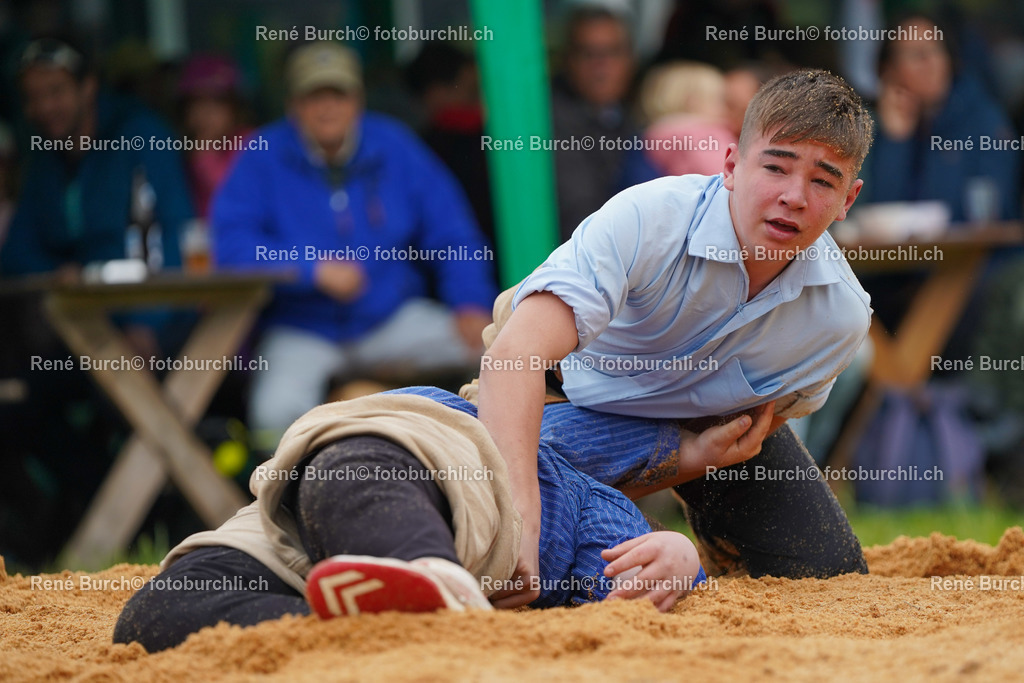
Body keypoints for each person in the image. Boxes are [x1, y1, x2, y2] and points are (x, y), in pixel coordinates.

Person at [476, 69, 875, 606]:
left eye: (823, 182)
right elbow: (515, 357)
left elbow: (747, 440)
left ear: (849, 199)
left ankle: (698, 549)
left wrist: (693, 459)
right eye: (775, 167)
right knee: (519, 516)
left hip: (706, 434)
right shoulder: (649, 218)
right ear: (731, 165)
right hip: (560, 392)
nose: (794, 197)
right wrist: (521, 520)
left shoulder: (839, 318)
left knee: (827, 577)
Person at [113, 386, 707, 653]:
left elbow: (628, 582)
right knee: (156, 612)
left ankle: (406, 604)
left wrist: (682, 560)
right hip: (315, 491)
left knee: (350, 473)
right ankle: (403, 604)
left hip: (388, 489)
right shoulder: (478, 406)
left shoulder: (592, 500)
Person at [211, 42, 497, 451]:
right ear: (293, 105)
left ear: (358, 100)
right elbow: (230, 245)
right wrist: (311, 269)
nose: (328, 107)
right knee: (274, 415)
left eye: (338, 95)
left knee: (496, 352)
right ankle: (295, 493)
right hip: (302, 328)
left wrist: (469, 301)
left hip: (389, 318)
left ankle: (480, 474)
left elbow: (452, 233)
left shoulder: (394, 146)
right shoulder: (262, 155)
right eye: (314, 96)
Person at [858, 13, 1020, 222]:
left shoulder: (983, 120)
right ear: (889, 70)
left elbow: (991, 212)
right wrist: (895, 140)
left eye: (936, 50)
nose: (930, 62)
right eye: (916, 54)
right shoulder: (870, 127)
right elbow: (878, 213)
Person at [551, 6, 640, 240]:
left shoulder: (635, 114)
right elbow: (581, 218)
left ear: (631, 59)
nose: (601, 66)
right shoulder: (549, 122)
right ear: (567, 60)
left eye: (613, 52)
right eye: (588, 54)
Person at [177, 54, 251, 218]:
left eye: (217, 103)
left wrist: (205, 152)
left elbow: (231, 192)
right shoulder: (180, 147)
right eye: (198, 103)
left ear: (235, 107)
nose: (206, 113)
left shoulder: (250, 142)